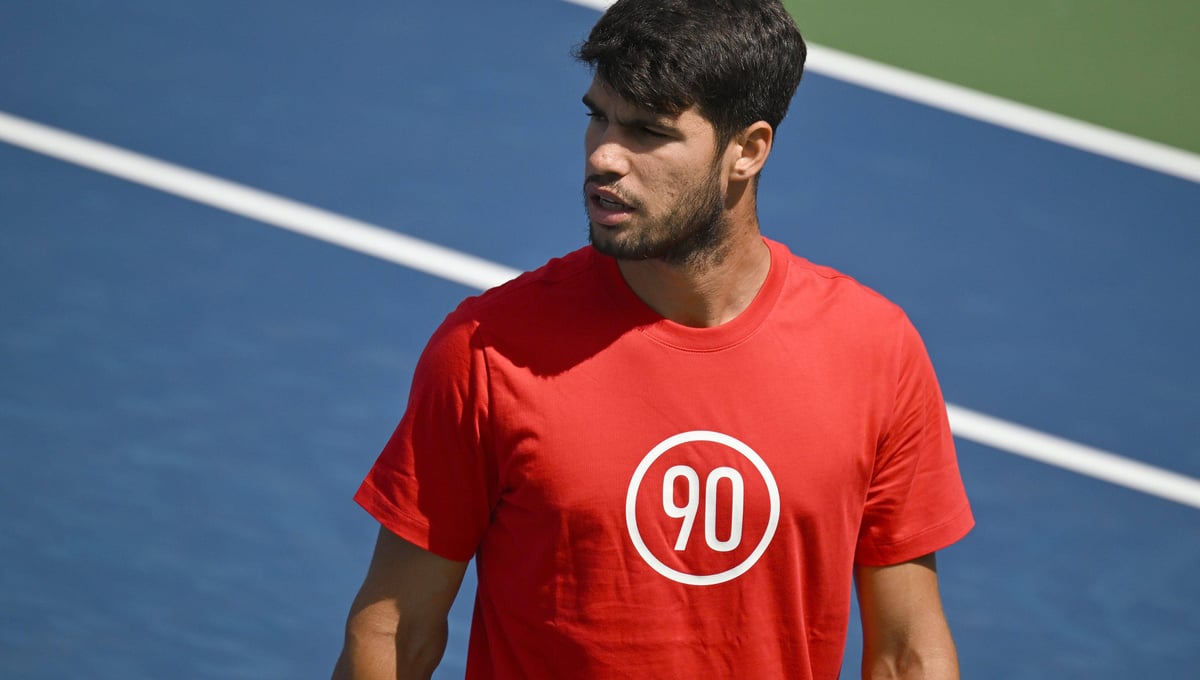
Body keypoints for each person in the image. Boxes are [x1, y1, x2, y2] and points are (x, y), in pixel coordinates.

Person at [332, 0, 974, 678]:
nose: (606, 155)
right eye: (597, 116)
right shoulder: (488, 351)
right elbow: (396, 632)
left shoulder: (875, 350)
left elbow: (907, 651)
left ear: (748, 152)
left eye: (648, 131)